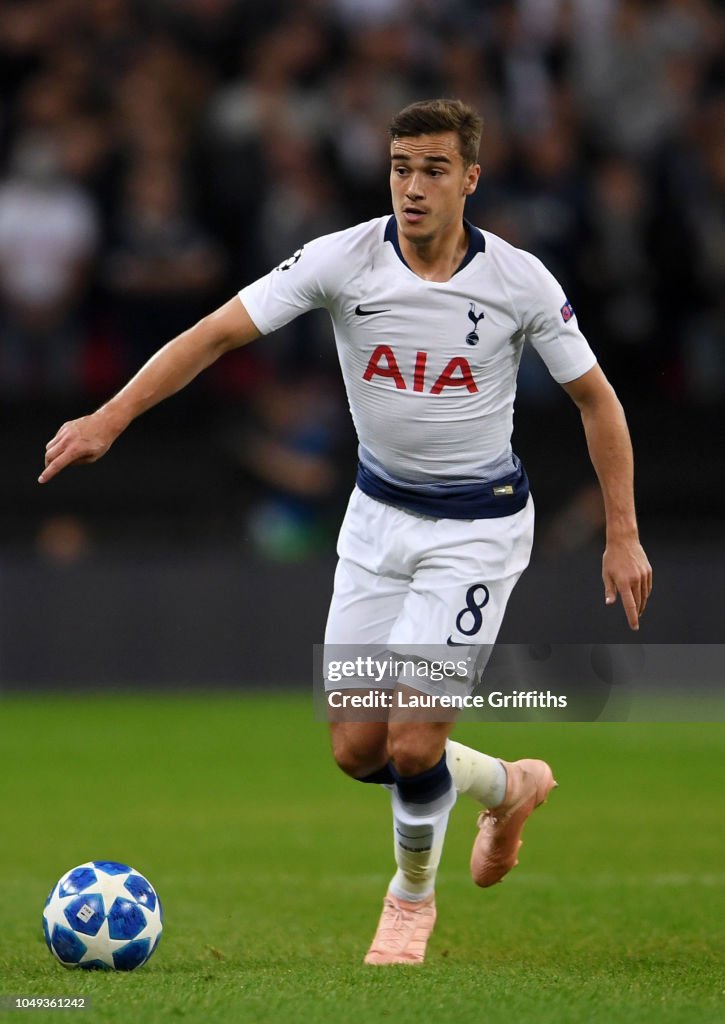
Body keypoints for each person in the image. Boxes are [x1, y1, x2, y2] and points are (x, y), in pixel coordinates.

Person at [39, 99, 652, 966]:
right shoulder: (343, 259)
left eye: (434, 170)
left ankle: (408, 903)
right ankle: (509, 787)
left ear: (469, 179)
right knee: (359, 749)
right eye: (401, 168)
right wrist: (110, 415)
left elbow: (597, 400)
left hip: (473, 534)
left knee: (411, 740)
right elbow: (214, 334)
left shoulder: (520, 282)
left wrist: (620, 532)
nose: (412, 187)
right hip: (375, 523)